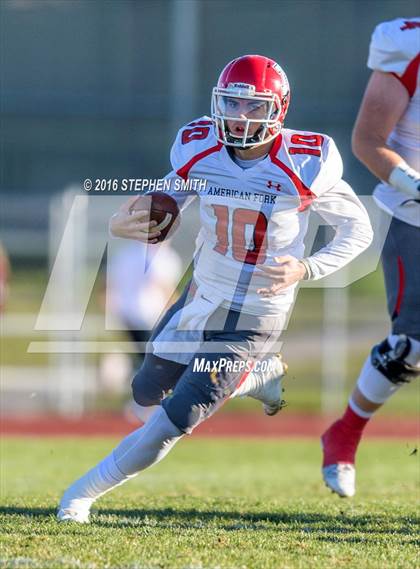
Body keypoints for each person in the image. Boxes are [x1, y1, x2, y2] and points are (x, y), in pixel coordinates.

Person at [58, 54, 373, 522]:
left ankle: (80, 495)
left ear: (278, 110)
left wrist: (307, 268)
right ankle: (257, 377)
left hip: (256, 310)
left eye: (254, 106)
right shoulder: (199, 145)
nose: (240, 116)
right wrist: (123, 221)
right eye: (231, 103)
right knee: (145, 390)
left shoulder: (305, 161)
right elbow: (168, 196)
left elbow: (359, 231)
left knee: (178, 415)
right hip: (201, 295)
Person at [321, 18, 420, 498]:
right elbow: (368, 140)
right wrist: (416, 185)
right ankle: (345, 431)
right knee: (411, 347)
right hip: (415, 216)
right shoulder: (408, 46)